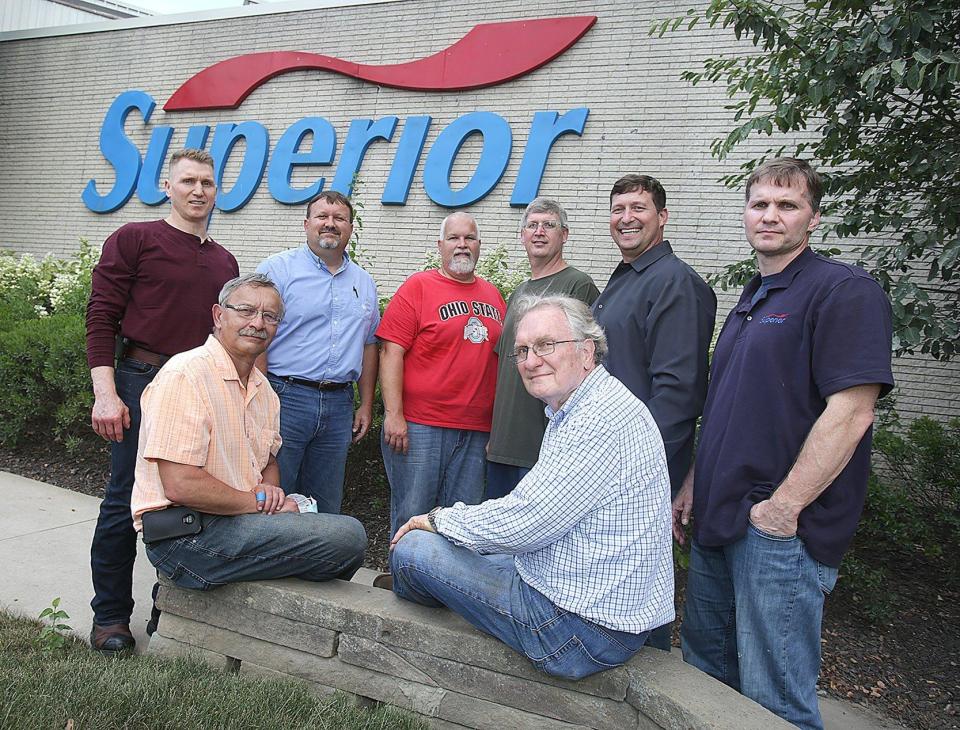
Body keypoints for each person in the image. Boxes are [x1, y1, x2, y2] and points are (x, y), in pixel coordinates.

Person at [673, 158, 894, 730]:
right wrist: (695, 485)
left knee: (775, 703)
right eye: (760, 204)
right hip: (719, 521)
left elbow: (852, 411)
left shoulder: (843, 291)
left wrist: (783, 509)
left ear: (813, 219)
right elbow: (729, 407)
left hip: (778, 535)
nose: (770, 216)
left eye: (787, 205)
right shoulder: (752, 297)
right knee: (704, 682)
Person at [389, 295, 673, 680]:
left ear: (587, 352)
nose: (530, 360)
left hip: (576, 630)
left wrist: (438, 519)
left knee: (412, 549)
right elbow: (534, 514)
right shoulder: (587, 404)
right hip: (584, 594)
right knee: (450, 546)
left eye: (545, 345)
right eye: (522, 350)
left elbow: (526, 521)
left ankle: (420, 588)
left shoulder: (597, 421)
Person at [85, 148, 239, 655]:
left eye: (208, 183)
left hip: (196, 389)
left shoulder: (224, 261)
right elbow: (102, 317)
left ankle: (166, 609)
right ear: (167, 187)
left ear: (218, 192)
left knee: (185, 500)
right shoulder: (134, 239)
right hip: (140, 380)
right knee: (126, 498)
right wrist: (105, 393)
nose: (199, 191)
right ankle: (110, 618)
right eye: (189, 181)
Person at [131, 274, 367, 594]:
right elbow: (180, 484)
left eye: (270, 316)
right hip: (186, 535)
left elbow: (268, 462)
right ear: (218, 315)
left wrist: (270, 496)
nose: (258, 323)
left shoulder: (264, 390)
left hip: (238, 522)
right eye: (245, 310)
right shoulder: (186, 374)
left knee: (327, 532)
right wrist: (258, 503)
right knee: (347, 537)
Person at [377, 212, 506, 538]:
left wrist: (496, 428)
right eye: (454, 238)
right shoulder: (418, 287)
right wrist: (393, 415)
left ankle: (441, 588)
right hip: (421, 427)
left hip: (476, 432)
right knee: (413, 517)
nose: (462, 245)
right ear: (440, 245)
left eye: (470, 238)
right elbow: (391, 351)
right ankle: (404, 585)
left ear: (479, 245)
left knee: (461, 523)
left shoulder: (494, 296)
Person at [255, 191, 379, 514]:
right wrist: (259, 396)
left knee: (325, 505)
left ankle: (316, 566)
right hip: (285, 397)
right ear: (307, 223)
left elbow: (368, 344)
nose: (330, 224)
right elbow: (256, 335)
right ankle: (270, 565)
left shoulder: (364, 283)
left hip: (339, 406)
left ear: (351, 228)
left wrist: (365, 404)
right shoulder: (277, 270)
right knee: (274, 498)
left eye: (339, 219)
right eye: (322, 217)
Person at [593, 174, 716, 497]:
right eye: (617, 209)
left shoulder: (675, 284)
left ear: (662, 216)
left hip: (633, 472)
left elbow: (678, 394)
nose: (626, 218)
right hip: (603, 460)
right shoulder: (628, 278)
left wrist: (630, 462)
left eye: (638, 208)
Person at [485, 198, 599, 499]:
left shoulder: (578, 286)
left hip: (543, 448)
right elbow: (504, 369)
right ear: (522, 235)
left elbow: (586, 370)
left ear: (564, 235)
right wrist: (495, 436)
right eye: (532, 225)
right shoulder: (520, 293)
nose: (539, 232)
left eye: (549, 225)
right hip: (503, 446)